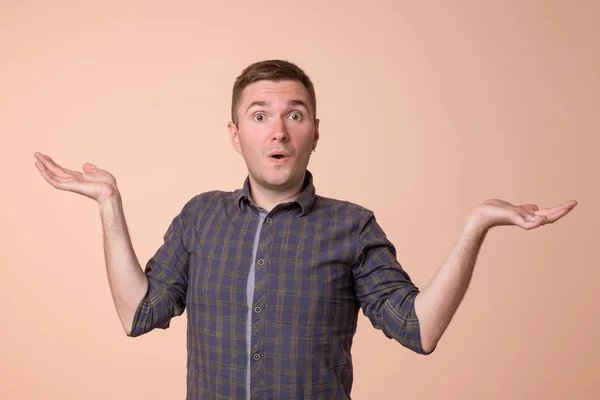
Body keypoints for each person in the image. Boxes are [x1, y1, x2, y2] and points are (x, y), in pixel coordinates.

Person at [34, 59, 577, 400]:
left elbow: (420, 330)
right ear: (234, 133)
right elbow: (139, 313)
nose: (278, 131)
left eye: (295, 115)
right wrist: (109, 204)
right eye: (259, 115)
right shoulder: (200, 216)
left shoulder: (352, 226)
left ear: (316, 132)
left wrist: (476, 224)